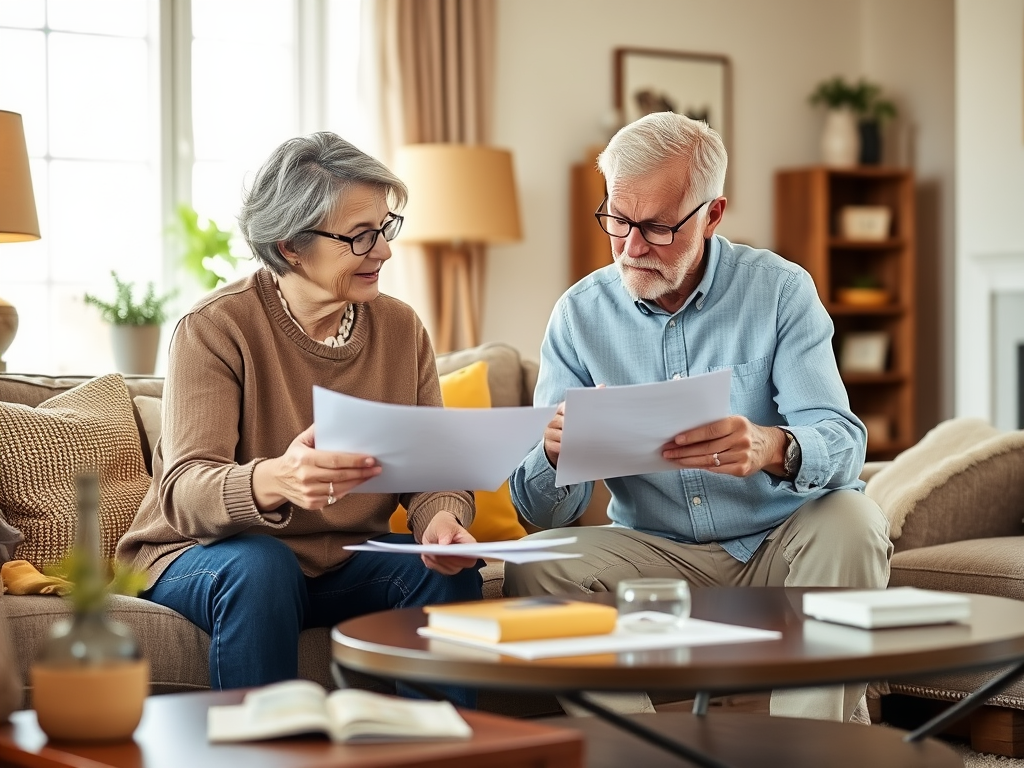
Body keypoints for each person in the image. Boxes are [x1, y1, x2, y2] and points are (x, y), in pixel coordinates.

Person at [504, 112, 892, 722]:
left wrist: (771, 446)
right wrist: (554, 456)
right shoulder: (579, 316)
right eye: (618, 220)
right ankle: (639, 754)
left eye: (657, 227)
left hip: (778, 543)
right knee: (537, 565)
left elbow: (844, 440)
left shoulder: (782, 290)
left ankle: (808, 749)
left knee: (854, 518)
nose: (632, 247)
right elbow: (541, 515)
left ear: (712, 214)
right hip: (655, 552)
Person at [116, 132, 482, 701]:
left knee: (446, 569)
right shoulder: (216, 328)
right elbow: (184, 493)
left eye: (385, 229)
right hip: (202, 557)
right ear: (290, 246)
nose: (383, 251)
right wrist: (275, 479)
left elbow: (433, 470)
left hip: (344, 562)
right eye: (361, 237)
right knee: (263, 566)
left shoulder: (401, 329)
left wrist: (440, 518)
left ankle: (437, 752)